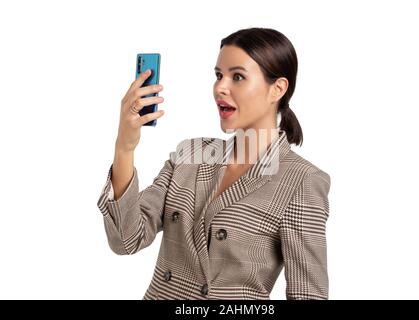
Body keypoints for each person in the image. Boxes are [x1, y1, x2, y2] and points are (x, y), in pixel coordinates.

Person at [97, 27, 331, 300]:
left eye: (238, 77)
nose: (220, 87)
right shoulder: (190, 153)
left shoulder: (302, 180)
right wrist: (124, 146)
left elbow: (307, 294)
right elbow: (126, 239)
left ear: (277, 89)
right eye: (219, 75)